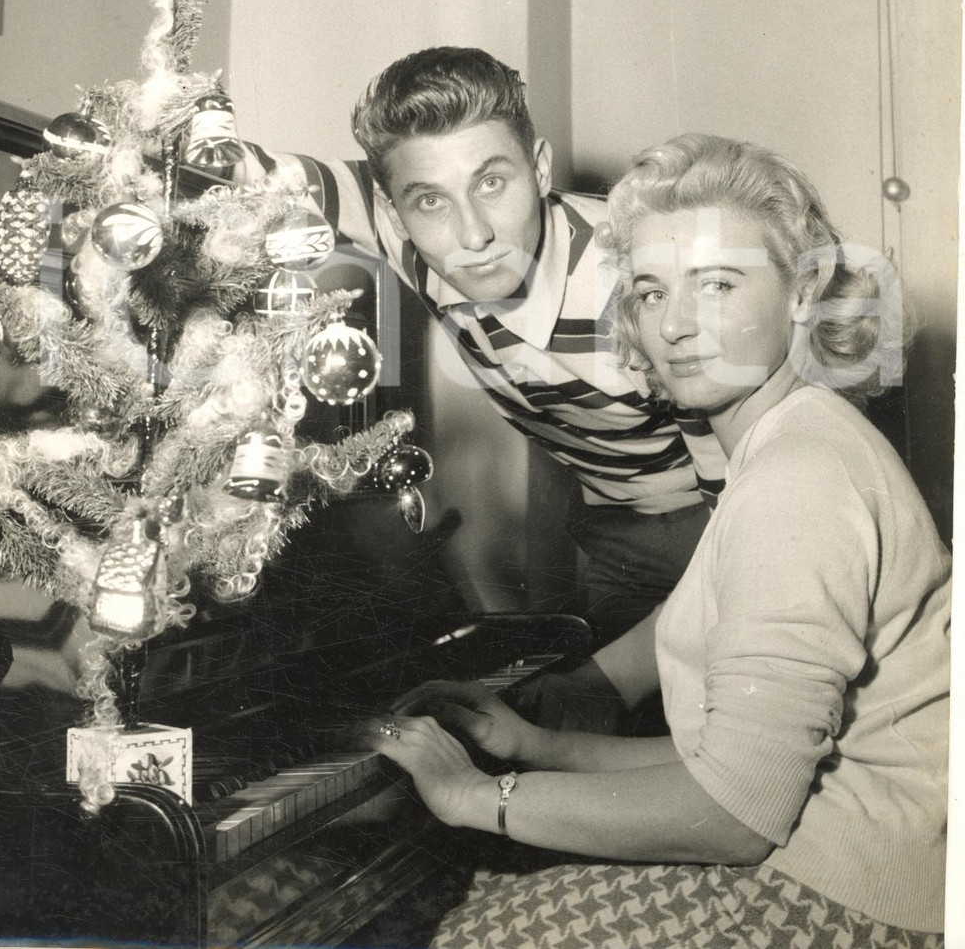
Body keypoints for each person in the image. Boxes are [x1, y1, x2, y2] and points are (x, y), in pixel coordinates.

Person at [366, 133, 950, 948]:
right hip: (838, 865)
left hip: (853, 903)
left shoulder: (800, 475)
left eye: (716, 283)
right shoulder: (787, 441)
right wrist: (537, 745)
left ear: (801, 290)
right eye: (648, 291)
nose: (674, 325)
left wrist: (474, 799)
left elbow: (733, 818)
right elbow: (728, 774)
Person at [236, 48, 724, 645]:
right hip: (609, 531)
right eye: (431, 200)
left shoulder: (635, 287)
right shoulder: (409, 235)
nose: (473, 235)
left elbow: (747, 500)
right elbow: (236, 167)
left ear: (541, 169)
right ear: (395, 211)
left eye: (491, 182)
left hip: (717, 522)